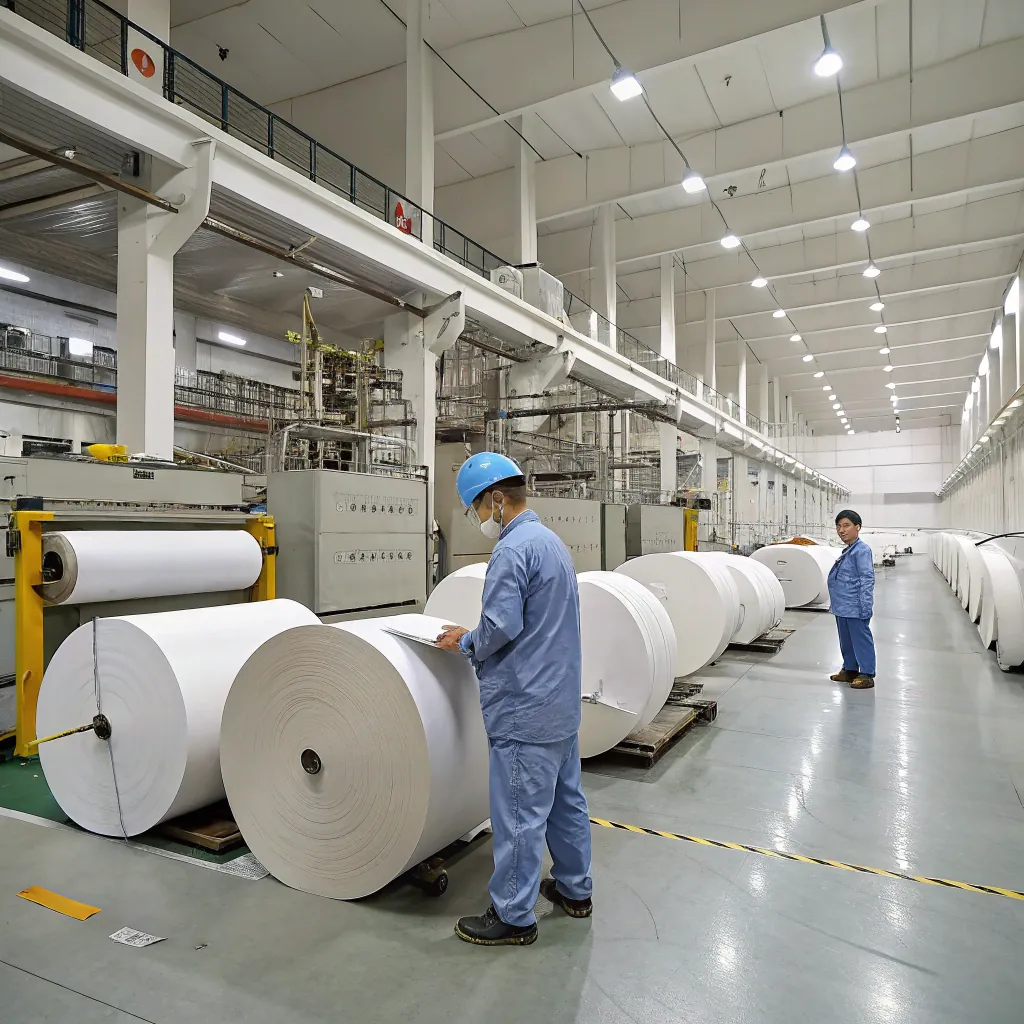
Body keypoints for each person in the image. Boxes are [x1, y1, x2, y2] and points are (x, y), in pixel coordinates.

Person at [435, 452, 593, 947]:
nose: (479, 519)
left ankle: (513, 915)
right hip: (560, 700)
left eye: (477, 509)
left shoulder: (511, 551)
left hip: (525, 707)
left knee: (521, 813)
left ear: (497, 499)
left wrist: (463, 641)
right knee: (566, 802)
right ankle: (575, 889)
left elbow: (501, 626)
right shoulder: (550, 543)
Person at [828, 509, 876, 689]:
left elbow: (866, 578)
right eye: (839, 526)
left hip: (855, 605)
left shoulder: (861, 551)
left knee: (860, 639)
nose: (841, 530)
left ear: (858, 527)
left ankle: (867, 673)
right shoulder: (849, 550)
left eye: (846, 525)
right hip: (842, 606)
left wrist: (865, 605)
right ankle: (849, 670)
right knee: (846, 640)